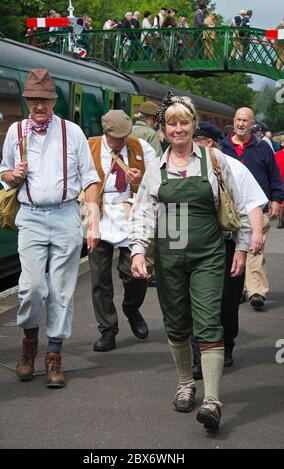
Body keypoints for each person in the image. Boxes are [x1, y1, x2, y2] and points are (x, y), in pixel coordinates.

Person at [129, 92, 250, 432]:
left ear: (193, 125)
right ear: (164, 129)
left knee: (209, 323)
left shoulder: (214, 161)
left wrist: (240, 248)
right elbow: (143, 215)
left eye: (184, 122)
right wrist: (138, 251)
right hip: (169, 257)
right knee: (177, 324)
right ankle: (186, 384)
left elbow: (236, 207)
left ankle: (212, 402)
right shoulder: (156, 169)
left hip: (208, 255)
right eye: (172, 123)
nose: (178, 128)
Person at [0, 69, 100, 388]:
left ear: (54, 100)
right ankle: (29, 345)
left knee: (61, 290)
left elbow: (91, 178)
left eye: (44, 99)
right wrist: (12, 175)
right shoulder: (15, 132)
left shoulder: (73, 133)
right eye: (33, 99)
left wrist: (93, 219)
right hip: (30, 217)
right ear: (26, 100)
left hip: (66, 215)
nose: (38, 105)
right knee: (31, 288)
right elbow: (3, 173)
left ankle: (53, 354)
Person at [192, 121, 268, 375]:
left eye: (196, 139)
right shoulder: (184, 166)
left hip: (227, 242)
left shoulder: (235, 168)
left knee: (228, 298)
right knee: (196, 299)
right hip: (194, 244)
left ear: (209, 142)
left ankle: (227, 344)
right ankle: (198, 352)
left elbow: (253, 204)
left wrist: (253, 237)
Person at [87, 110, 156, 352]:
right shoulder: (91, 147)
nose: (124, 141)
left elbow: (158, 180)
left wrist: (140, 179)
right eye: (118, 138)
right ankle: (107, 329)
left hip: (129, 214)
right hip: (99, 214)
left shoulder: (141, 146)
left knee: (136, 274)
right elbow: (81, 181)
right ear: (105, 133)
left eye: (126, 136)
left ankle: (131, 307)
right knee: (100, 278)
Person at [220, 107, 284, 310]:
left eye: (245, 120)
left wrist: (276, 199)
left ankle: (256, 290)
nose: (240, 124)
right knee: (234, 250)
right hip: (229, 210)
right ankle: (237, 288)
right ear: (233, 120)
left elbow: (274, 175)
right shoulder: (222, 147)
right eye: (238, 119)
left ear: (252, 123)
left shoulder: (263, 148)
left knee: (254, 248)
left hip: (257, 208)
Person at [274, 144, 284, 228]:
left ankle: (280, 221)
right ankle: (281, 221)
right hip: (280, 179)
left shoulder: (277, 154)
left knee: (281, 201)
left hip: (279, 180)